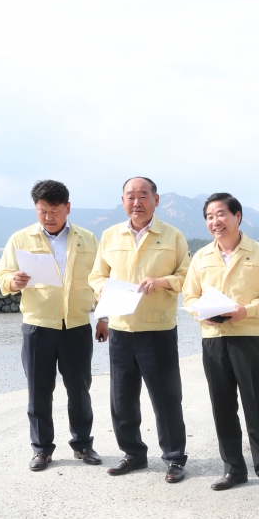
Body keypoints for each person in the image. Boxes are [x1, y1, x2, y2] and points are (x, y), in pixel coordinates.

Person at [183, 193, 259, 496]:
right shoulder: (200, 257)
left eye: (221, 214)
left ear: (237, 216)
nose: (216, 221)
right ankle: (233, 469)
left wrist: (246, 311)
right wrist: (202, 315)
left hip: (248, 337)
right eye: (210, 216)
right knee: (222, 407)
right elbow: (189, 298)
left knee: (257, 406)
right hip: (213, 339)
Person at [0, 180, 101, 472]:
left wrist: (102, 317)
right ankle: (42, 449)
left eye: (54, 210)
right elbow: (3, 273)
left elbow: (101, 279)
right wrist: (12, 282)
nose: (48, 217)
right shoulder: (20, 238)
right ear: (36, 209)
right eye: (42, 211)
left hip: (77, 324)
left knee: (79, 388)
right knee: (38, 390)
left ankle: (82, 444)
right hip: (38, 325)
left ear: (67, 208)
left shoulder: (87, 239)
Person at [90, 177, 191, 481]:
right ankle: (133, 454)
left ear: (156, 200)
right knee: (122, 397)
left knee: (166, 397)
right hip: (121, 328)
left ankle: (174, 458)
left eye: (143, 196)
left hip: (157, 328)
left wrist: (161, 282)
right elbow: (96, 276)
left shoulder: (172, 236)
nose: (137, 202)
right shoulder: (110, 236)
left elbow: (187, 277)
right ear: (122, 201)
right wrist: (104, 291)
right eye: (130, 197)